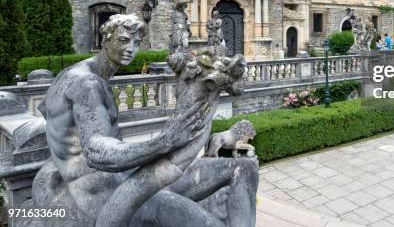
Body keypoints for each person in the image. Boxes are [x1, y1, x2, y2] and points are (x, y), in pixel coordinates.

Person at [31, 14, 257, 227]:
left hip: (123, 177)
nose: (130, 48)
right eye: (123, 40)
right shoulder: (87, 83)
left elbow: (51, 118)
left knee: (242, 167)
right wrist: (165, 141)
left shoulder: (74, 74)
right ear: (105, 39)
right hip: (103, 196)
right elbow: (96, 151)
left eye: (136, 42)